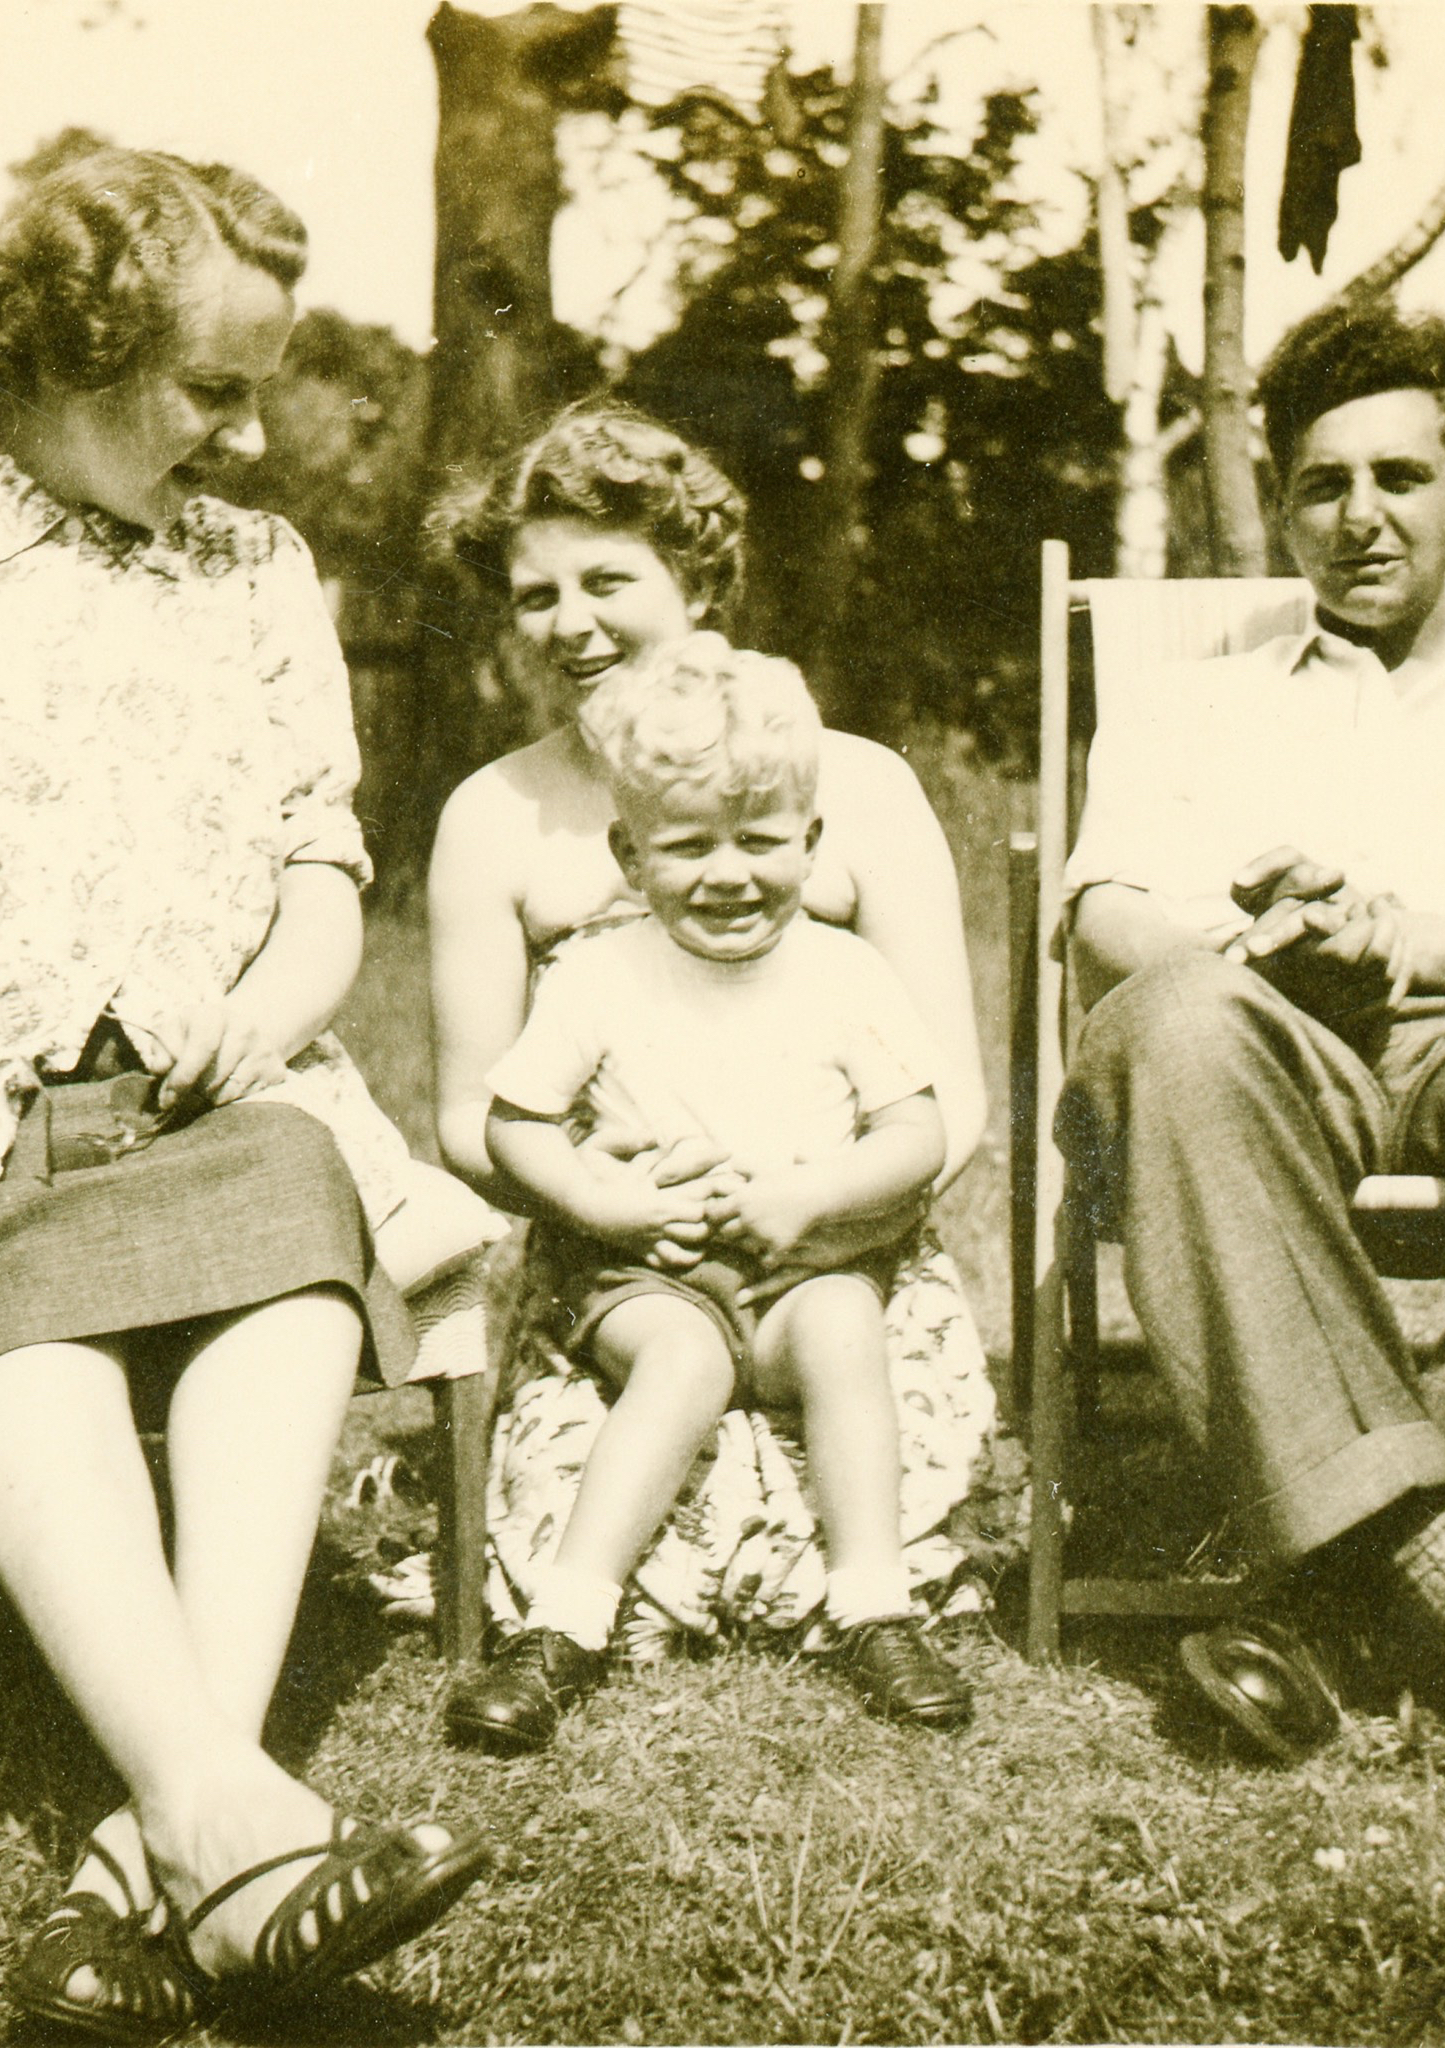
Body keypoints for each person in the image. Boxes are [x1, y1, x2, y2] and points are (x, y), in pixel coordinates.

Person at [0, 149, 493, 2036]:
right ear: (69, 351)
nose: (250, 440)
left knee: (294, 1203)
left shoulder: (254, 571)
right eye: (213, 390)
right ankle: (223, 1833)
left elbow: (320, 865)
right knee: (29, 1330)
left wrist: (269, 1003)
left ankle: (169, 1833)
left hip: (176, 1115)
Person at [1056, 299, 1445, 1793]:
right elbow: (1107, 922)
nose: (1362, 517)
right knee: (1170, 1018)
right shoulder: (1188, 700)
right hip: (1275, 1051)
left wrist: (1407, 939)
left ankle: (1385, 1560)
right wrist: (1265, 951)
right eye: (1322, 486)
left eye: (1400, 478)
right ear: (1284, 510)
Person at [424, 403, 995, 1699]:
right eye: (534, 596)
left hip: (844, 1245)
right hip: (625, 1260)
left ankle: (870, 1597)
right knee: (617, 1483)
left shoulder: (853, 783)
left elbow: (947, 1100)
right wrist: (604, 1195)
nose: (569, 623)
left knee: (849, 1391)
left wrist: (821, 1214)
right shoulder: (493, 814)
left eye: (606, 581)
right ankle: (569, 1619)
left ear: (695, 573)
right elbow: (473, 1116)